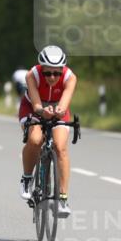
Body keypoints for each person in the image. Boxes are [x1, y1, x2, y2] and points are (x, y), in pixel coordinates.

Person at [18, 45, 77, 218]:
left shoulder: (70, 77)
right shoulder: (32, 75)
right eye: (48, 73)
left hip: (57, 109)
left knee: (60, 147)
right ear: (41, 68)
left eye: (56, 73)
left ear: (62, 70)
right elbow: (36, 104)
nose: (52, 77)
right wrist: (42, 111)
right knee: (35, 140)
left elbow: (64, 104)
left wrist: (58, 111)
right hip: (32, 108)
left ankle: (63, 199)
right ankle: (27, 178)